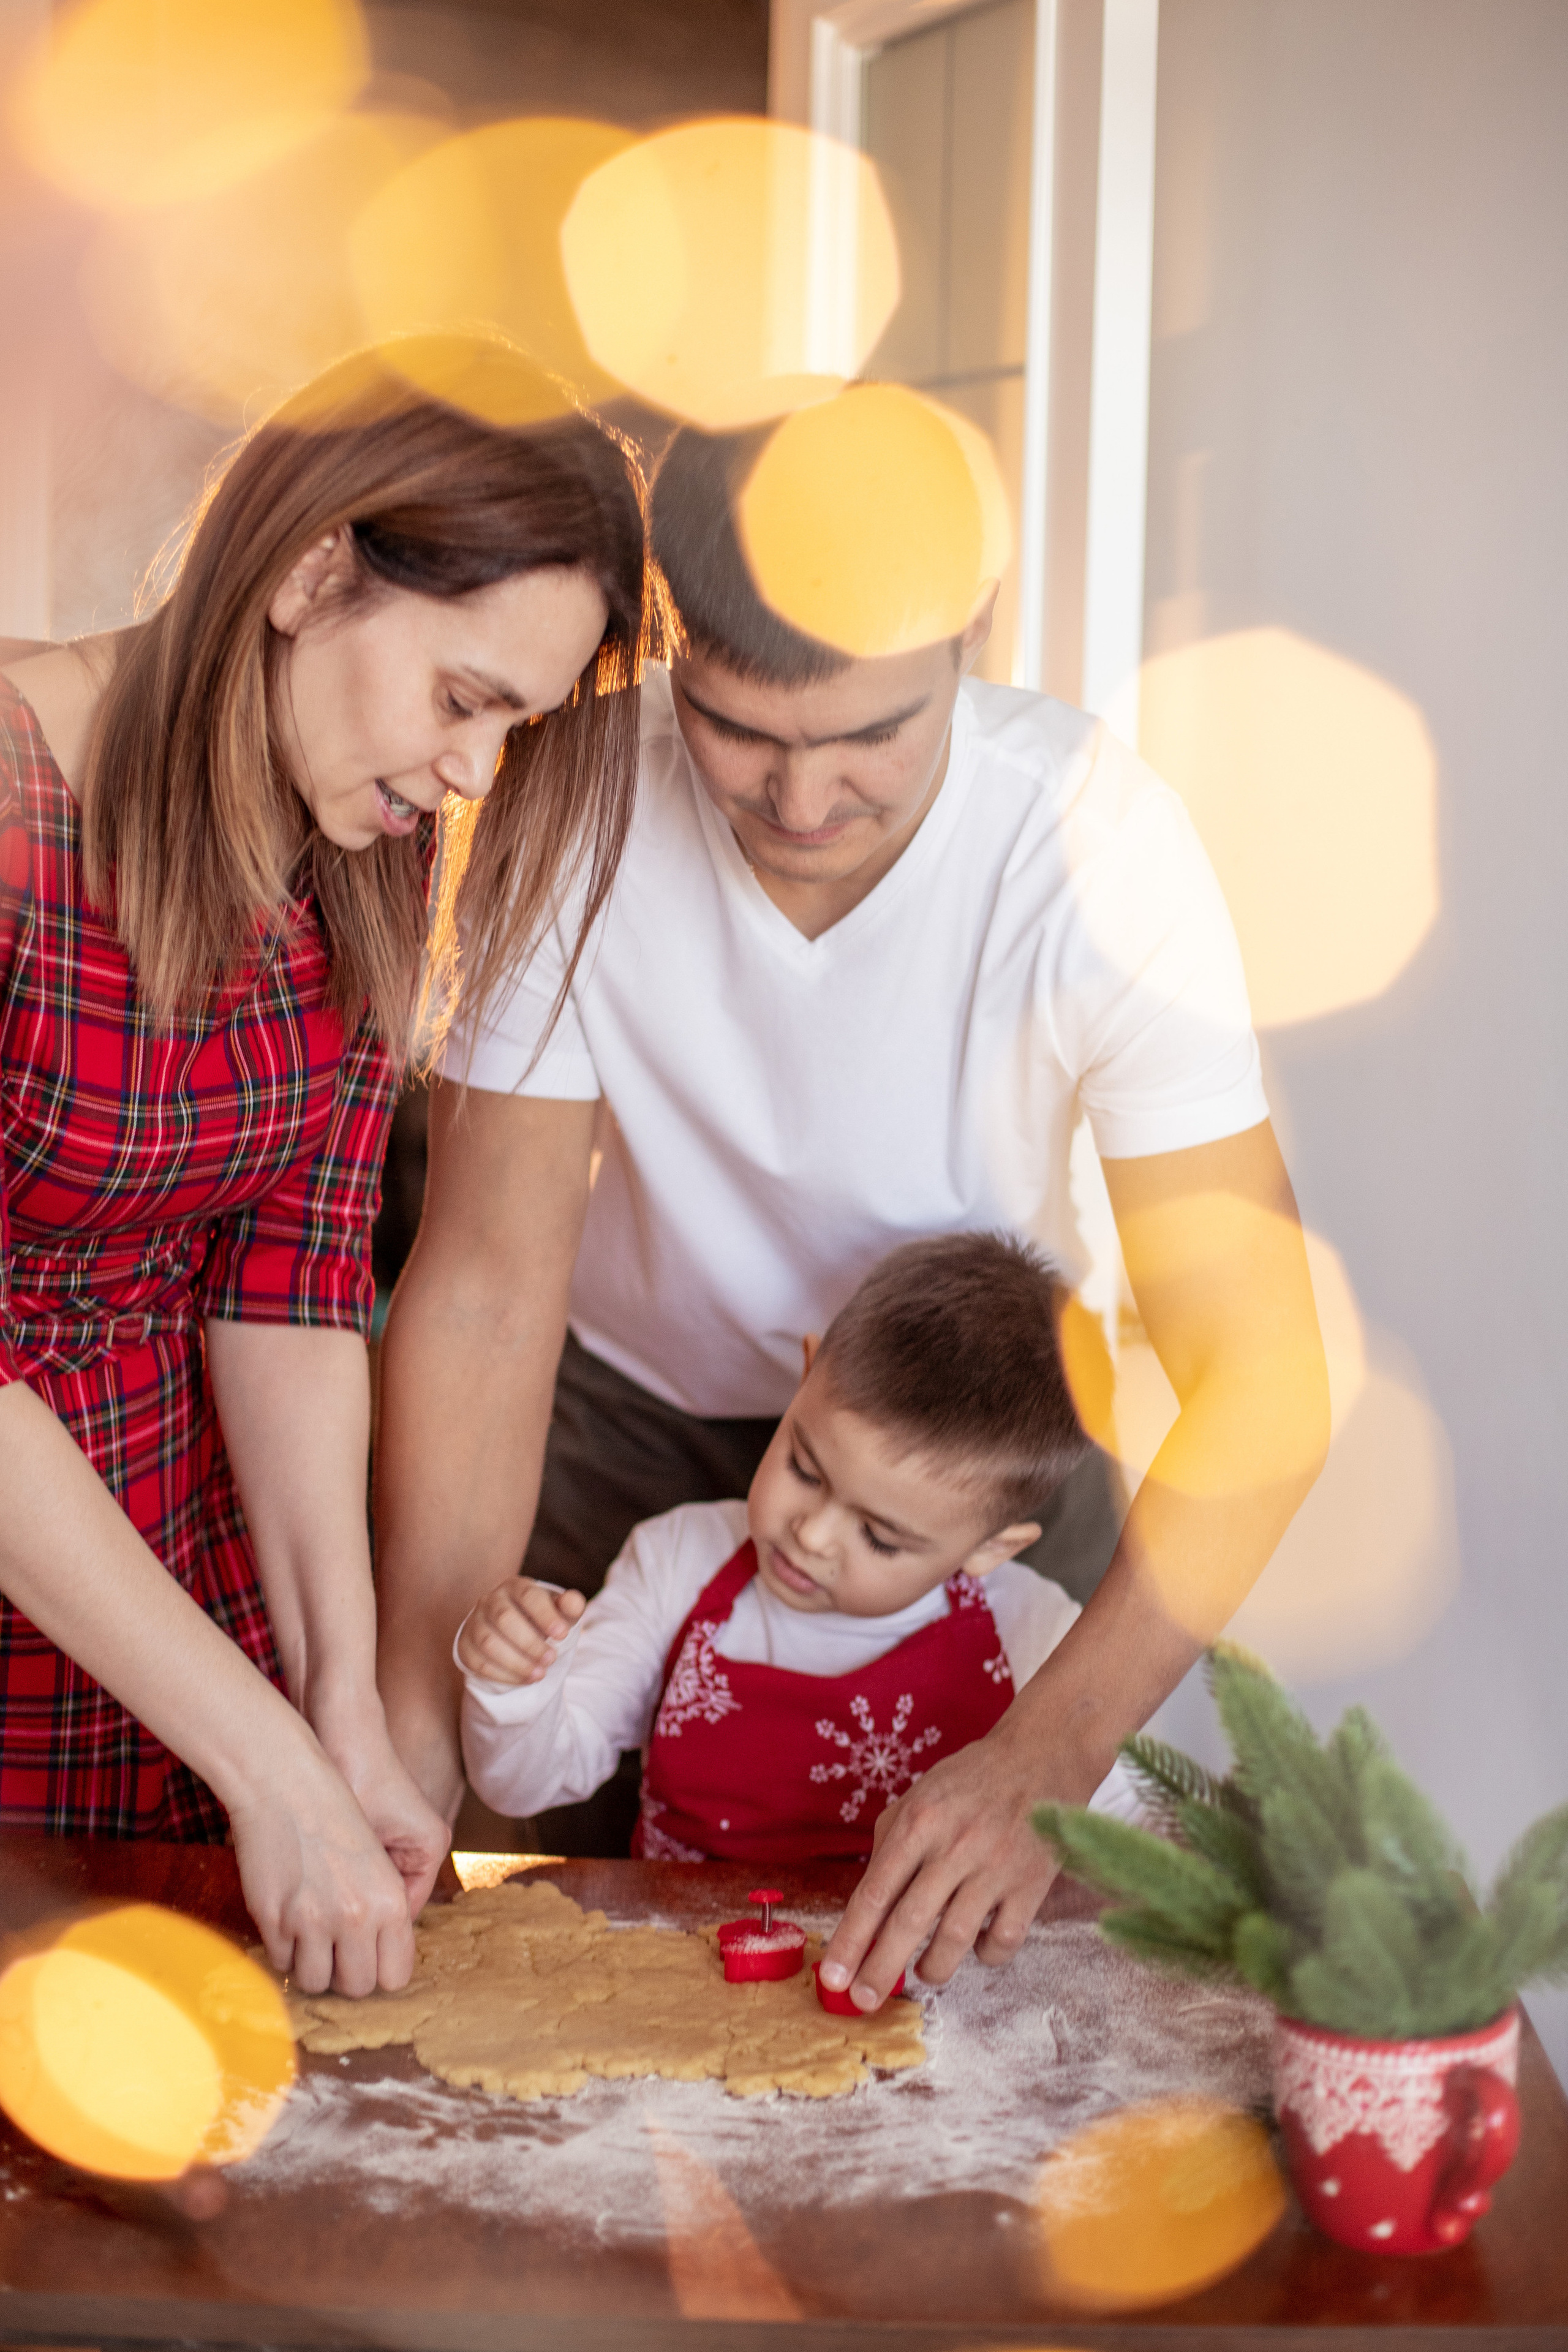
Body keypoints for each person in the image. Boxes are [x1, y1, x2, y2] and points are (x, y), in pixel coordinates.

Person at [374, 401, 1329, 2008]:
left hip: (982, 1447)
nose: (804, 800)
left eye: (873, 734)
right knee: (557, 1969)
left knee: (998, 1988)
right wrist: (408, 1726)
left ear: (975, 641)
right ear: (673, 649)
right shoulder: (575, 801)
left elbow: (1267, 1367)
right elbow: (477, 1288)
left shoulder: (1096, 840)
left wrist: (1056, 1738)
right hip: (621, 1425)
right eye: (743, 731)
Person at [0, 336, 650, 1996]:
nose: (472, 774)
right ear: (307, 571)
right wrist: (267, 1757)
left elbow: (287, 1292)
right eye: (462, 700)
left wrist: (336, 1707)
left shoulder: (355, 863)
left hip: (172, 1612)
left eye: (511, 724)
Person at [456, 1235, 1142, 1892]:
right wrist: (515, 1686)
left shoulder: (1040, 1639)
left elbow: (1127, 1850)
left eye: (879, 1536)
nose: (810, 1535)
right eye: (804, 1469)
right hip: (678, 1982)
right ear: (806, 1373)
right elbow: (523, 1786)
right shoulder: (676, 1565)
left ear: (991, 1549)